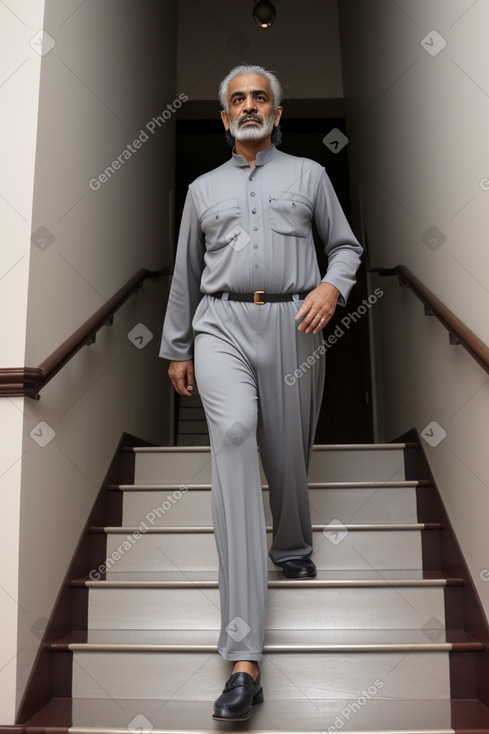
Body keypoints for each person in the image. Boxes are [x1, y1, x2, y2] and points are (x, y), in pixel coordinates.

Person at [159, 63, 363, 722]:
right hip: (218, 322)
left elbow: (345, 246)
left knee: (284, 452)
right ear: (223, 118)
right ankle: (243, 658)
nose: (249, 106)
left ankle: (292, 545)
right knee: (237, 436)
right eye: (237, 100)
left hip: (293, 322)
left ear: (275, 112)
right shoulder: (200, 189)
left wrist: (331, 287)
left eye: (259, 97)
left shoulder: (309, 175)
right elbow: (185, 273)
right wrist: (176, 347)